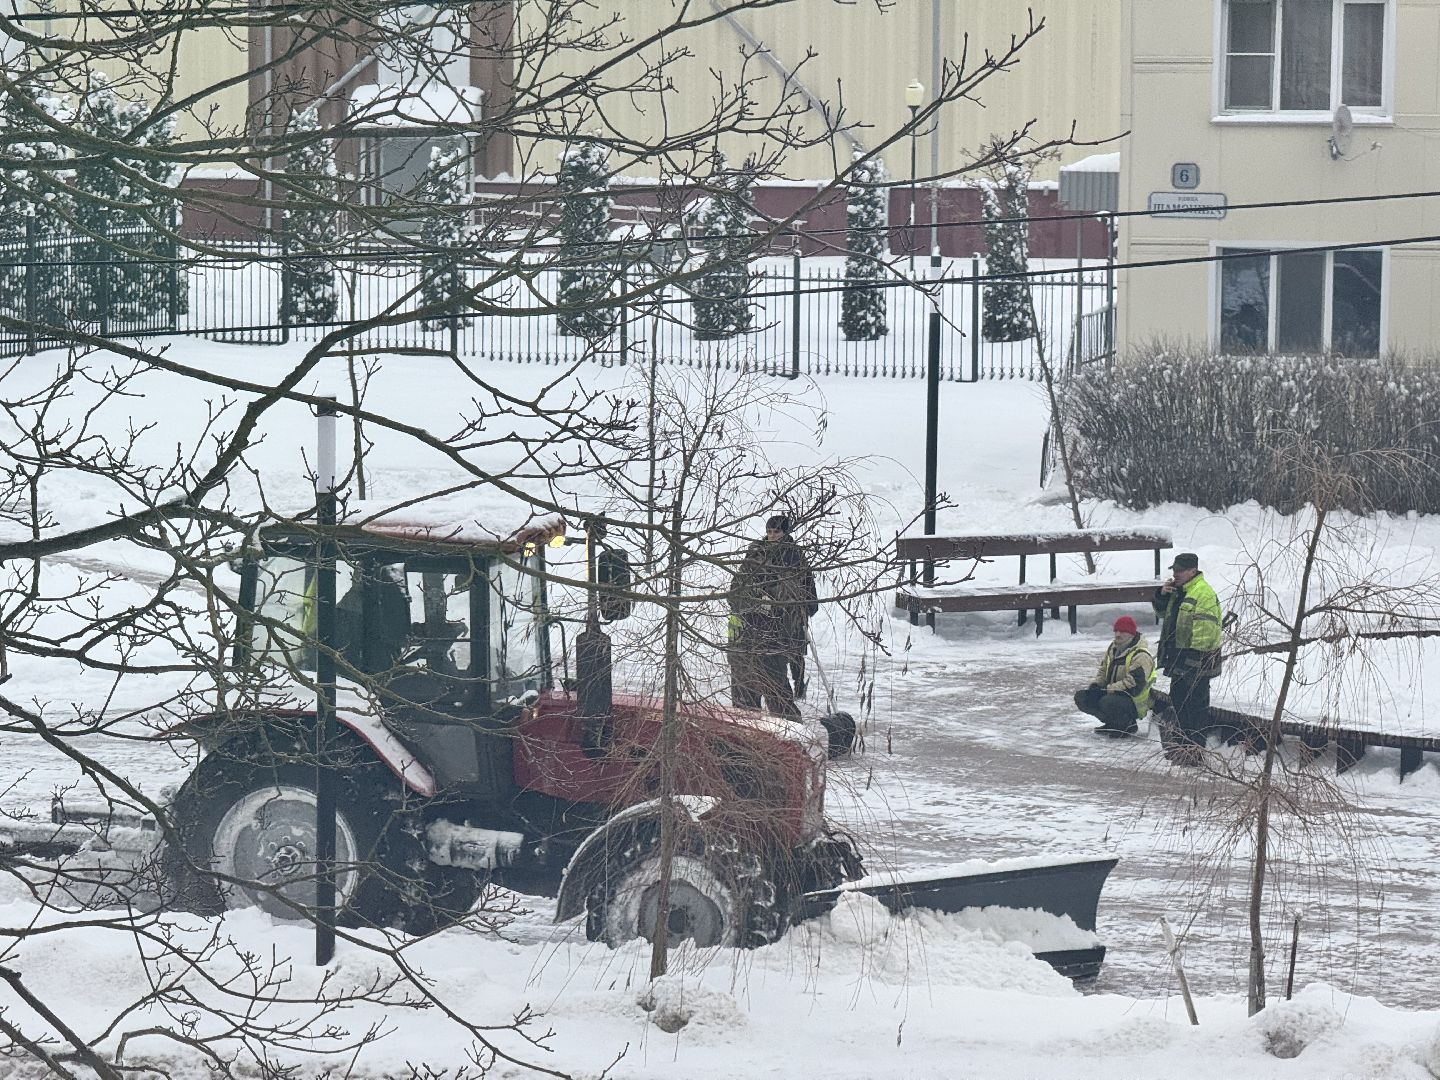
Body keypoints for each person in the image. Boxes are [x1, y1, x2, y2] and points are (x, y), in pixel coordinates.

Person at [727, 514, 818, 720]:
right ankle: (748, 738)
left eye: (776, 532)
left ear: (785, 533)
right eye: (769, 531)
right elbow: (734, 592)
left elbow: (809, 601)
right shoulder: (754, 554)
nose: (772, 536)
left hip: (776, 637)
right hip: (745, 637)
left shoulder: (794, 558)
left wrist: (780, 604)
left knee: (776, 691)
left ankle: (791, 734)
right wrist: (754, 600)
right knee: (743, 697)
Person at [1152, 551, 1224, 764]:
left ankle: (1194, 753)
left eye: (1180, 571)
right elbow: (1163, 615)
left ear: (1193, 571)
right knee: (1180, 703)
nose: (1175, 575)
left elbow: (1206, 632)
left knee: (1194, 708)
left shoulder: (1203, 593)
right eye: (1174, 571)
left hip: (1196, 663)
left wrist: (1193, 661)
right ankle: (1184, 748)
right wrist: (1162, 595)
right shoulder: (1179, 592)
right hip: (1180, 661)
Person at [1074, 615, 1155, 736]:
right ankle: (1113, 723)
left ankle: (1127, 725)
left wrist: (1107, 690)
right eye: (1116, 630)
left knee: (1107, 701)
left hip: (1136, 702)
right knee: (1083, 698)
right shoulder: (1113, 648)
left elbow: (1133, 685)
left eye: (1122, 631)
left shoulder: (1141, 655)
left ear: (1131, 634)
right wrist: (1096, 686)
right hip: (1114, 694)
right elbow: (1103, 670)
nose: (1118, 634)